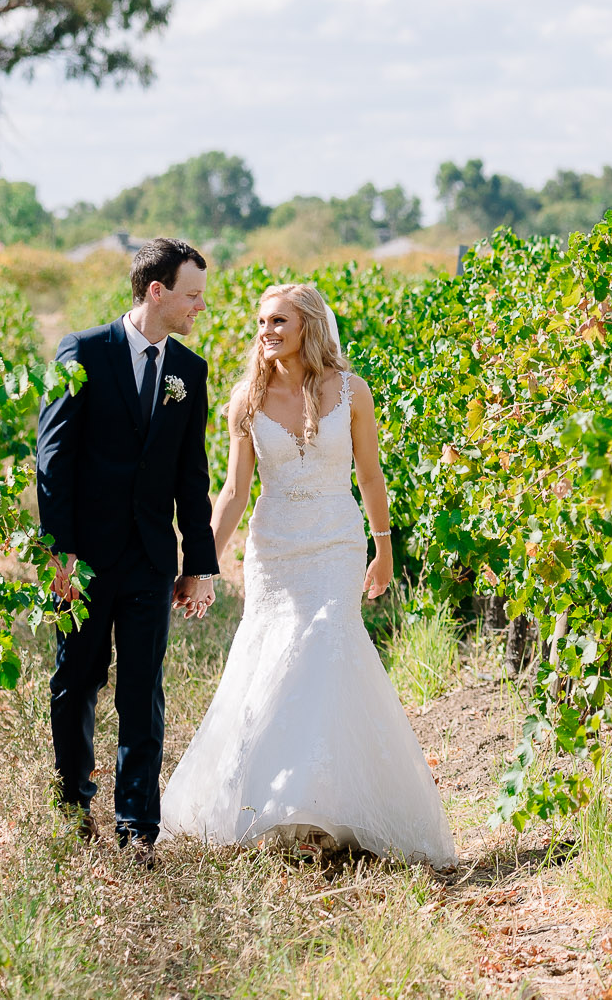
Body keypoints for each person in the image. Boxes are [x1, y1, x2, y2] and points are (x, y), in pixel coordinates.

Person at [159, 282, 457, 865]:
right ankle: (272, 806)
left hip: (337, 542)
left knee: (324, 646)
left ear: (309, 329)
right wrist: (200, 565)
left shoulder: (351, 391)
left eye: (279, 322)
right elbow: (234, 492)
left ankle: (325, 809)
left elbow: (369, 475)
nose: (266, 332)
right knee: (271, 656)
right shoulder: (245, 399)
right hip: (276, 550)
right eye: (262, 322)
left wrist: (384, 547)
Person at [34, 237, 220, 847]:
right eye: (191, 295)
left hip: (148, 558)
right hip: (83, 558)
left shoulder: (189, 373)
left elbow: (192, 476)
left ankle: (138, 826)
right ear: (157, 290)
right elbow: (53, 458)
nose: (200, 307)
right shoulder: (82, 351)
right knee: (78, 679)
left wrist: (199, 563)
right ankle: (74, 804)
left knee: (143, 690)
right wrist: (58, 553)